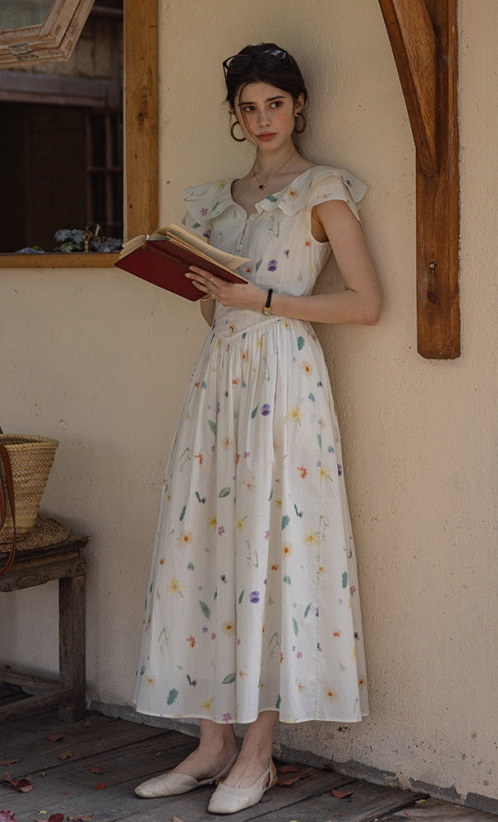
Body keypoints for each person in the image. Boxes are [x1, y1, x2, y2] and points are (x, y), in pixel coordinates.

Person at [133, 42, 381, 815]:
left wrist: (262, 302)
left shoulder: (323, 189)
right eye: (248, 106)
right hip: (219, 380)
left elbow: (364, 303)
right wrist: (208, 288)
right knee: (205, 543)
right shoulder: (215, 199)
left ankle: (259, 750)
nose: (262, 118)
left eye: (275, 103)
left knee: (271, 549)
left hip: (285, 377)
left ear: (297, 106)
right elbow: (213, 308)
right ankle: (210, 743)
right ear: (235, 115)